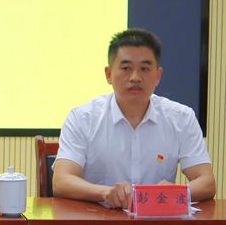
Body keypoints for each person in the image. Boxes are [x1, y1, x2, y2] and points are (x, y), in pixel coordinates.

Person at [52, 28, 215, 208]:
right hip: (97, 220)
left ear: (158, 76)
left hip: (157, 221)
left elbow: (207, 182)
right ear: (108, 74)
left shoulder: (181, 118)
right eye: (126, 68)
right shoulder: (83, 118)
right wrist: (105, 193)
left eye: (145, 69)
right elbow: (61, 181)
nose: (135, 77)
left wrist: (176, 192)